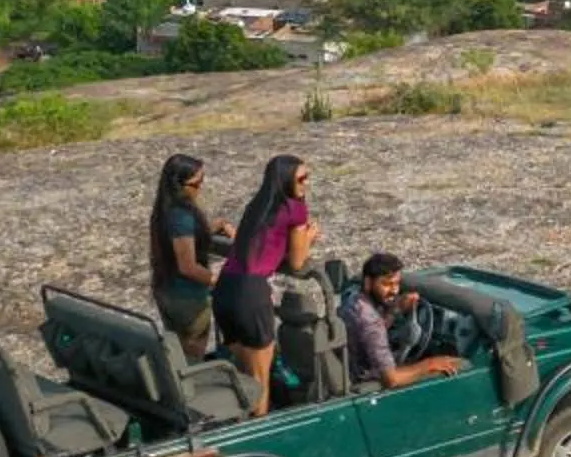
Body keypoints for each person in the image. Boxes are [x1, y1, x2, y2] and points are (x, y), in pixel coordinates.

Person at [213, 153, 319, 414]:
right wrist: (310, 236)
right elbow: (297, 261)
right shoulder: (295, 208)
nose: (306, 183)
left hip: (225, 289)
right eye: (301, 179)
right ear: (285, 181)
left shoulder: (258, 205)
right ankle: (260, 425)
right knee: (259, 380)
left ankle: (240, 419)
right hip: (251, 294)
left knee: (244, 373)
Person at [148, 151, 231, 358]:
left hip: (166, 290)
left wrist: (219, 225)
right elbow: (188, 266)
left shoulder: (164, 210)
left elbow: (185, 237)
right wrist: (217, 280)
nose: (200, 188)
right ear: (179, 185)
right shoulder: (181, 216)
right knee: (193, 354)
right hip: (187, 298)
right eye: (196, 184)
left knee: (177, 349)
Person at [342, 254, 465, 393]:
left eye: (397, 283)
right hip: (365, 380)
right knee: (456, 365)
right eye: (386, 284)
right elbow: (392, 379)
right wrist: (430, 364)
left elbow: (370, 331)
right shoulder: (371, 323)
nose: (395, 290)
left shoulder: (354, 300)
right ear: (368, 283)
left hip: (351, 367)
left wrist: (396, 310)